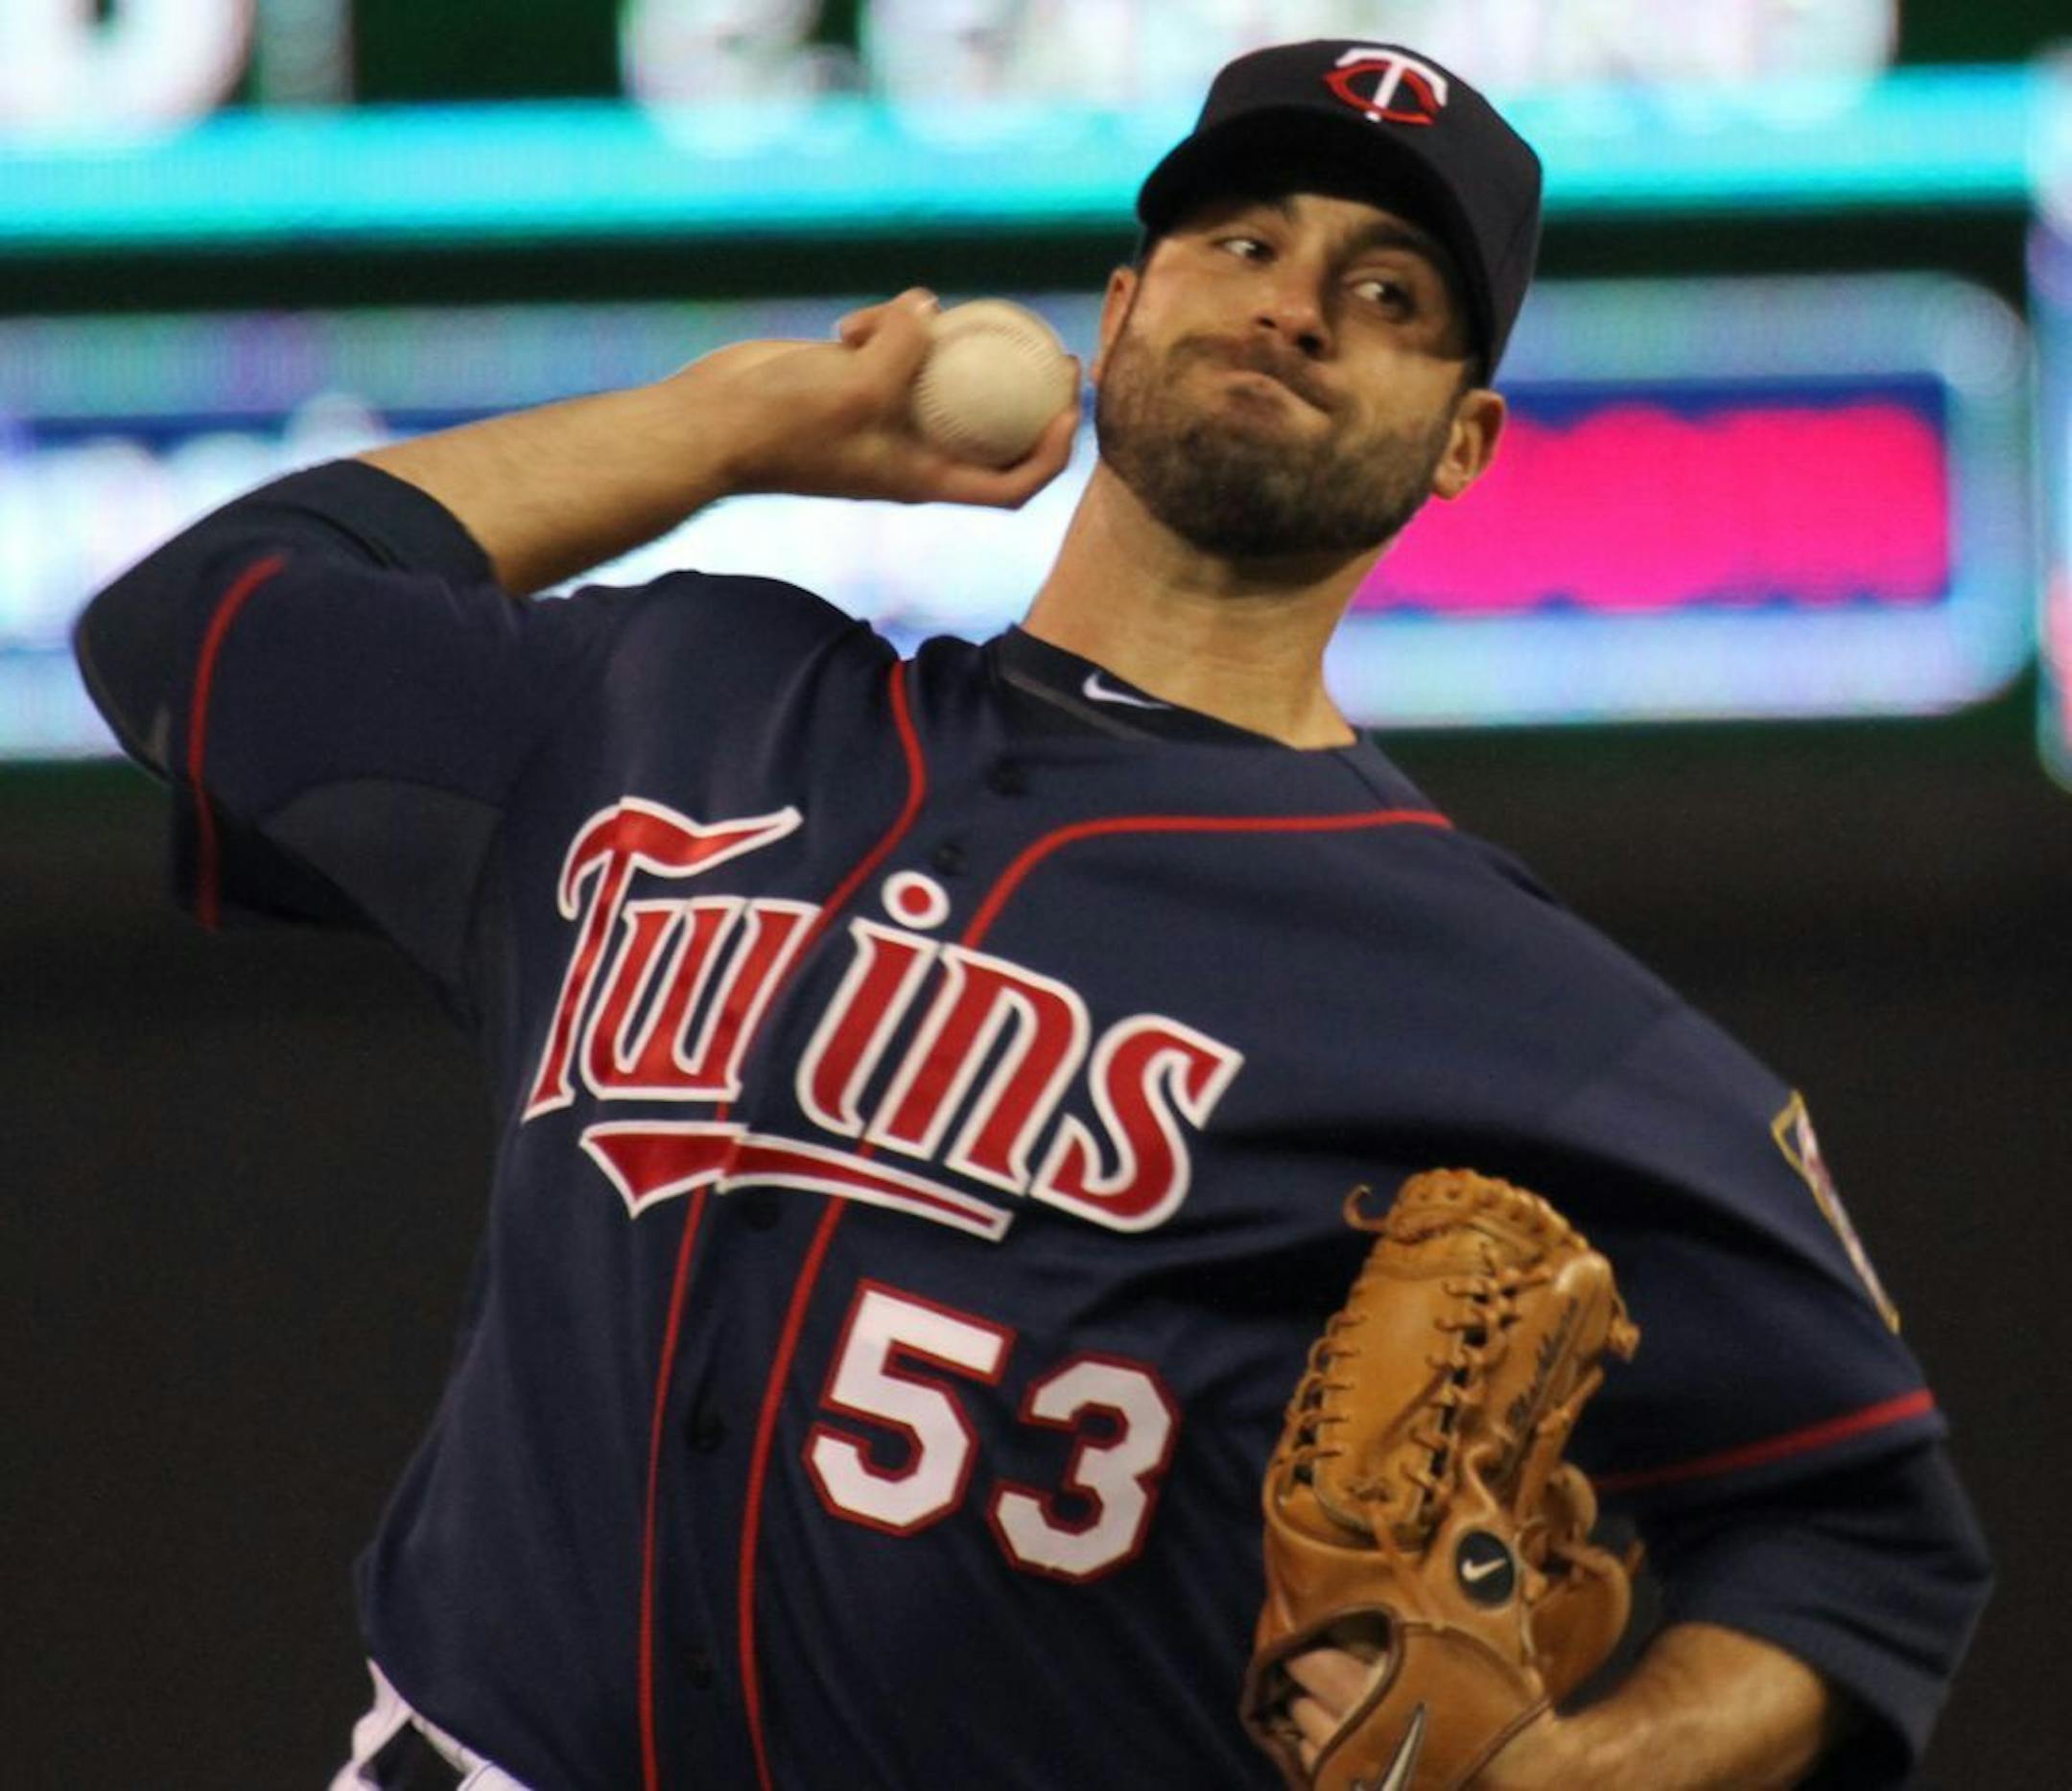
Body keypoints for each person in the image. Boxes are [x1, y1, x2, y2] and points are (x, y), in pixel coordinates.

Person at [75, 38, 1987, 1791]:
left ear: (1460, 440)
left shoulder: (1517, 1008)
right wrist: (731, 424)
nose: (1297, 303)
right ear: (1125, 310)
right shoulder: (683, 699)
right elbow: (196, 626)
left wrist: (1590, 1769)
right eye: (1243, 238)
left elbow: (1867, 1542)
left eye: (1388, 296)